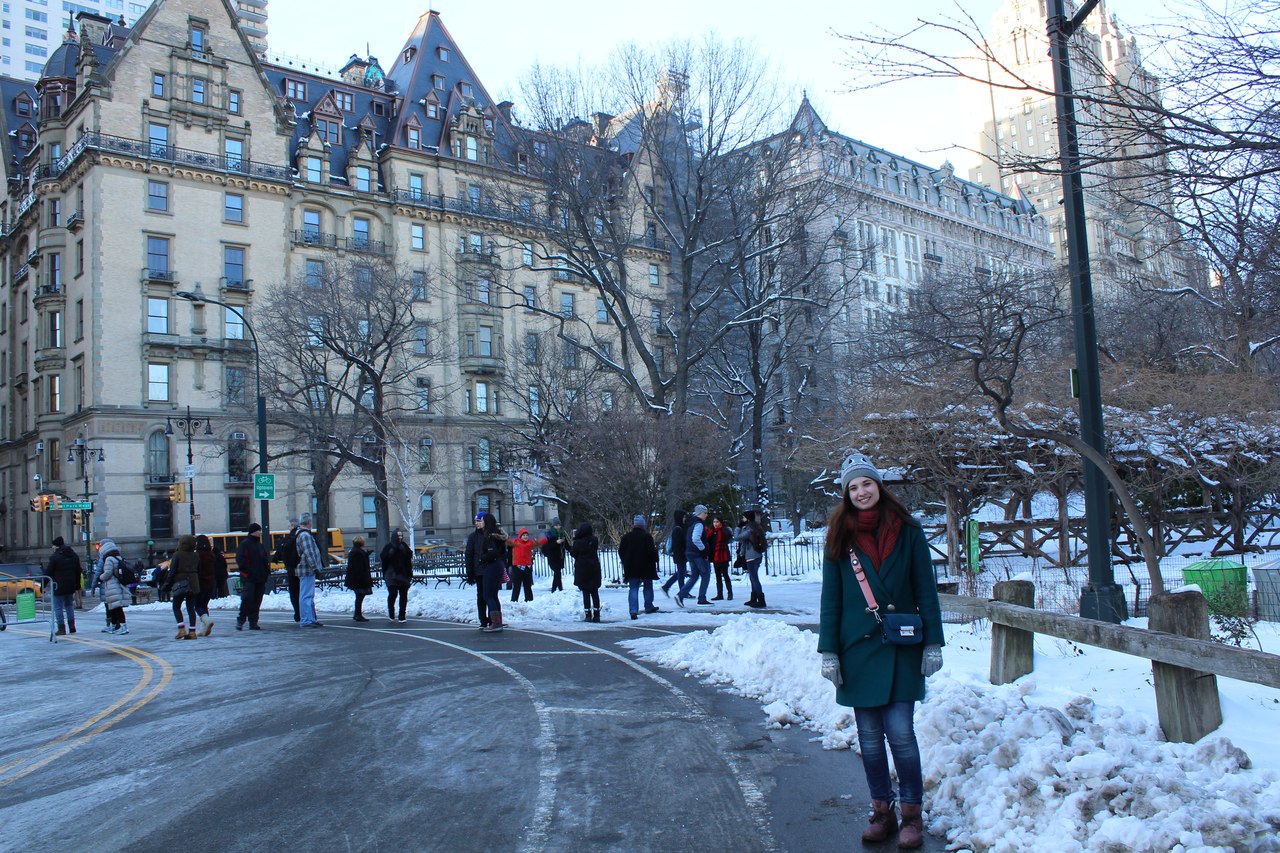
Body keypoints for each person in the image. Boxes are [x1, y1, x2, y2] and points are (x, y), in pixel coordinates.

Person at [818, 452, 944, 850]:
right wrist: (829, 652)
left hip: (903, 647)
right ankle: (881, 812)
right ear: (846, 494)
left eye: (866, 483)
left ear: (879, 485)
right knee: (870, 739)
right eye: (853, 487)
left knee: (902, 735)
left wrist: (934, 642)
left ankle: (911, 816)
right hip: (857, 651)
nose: (861, 491)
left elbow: (926, 590)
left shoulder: (909, 530)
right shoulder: (839, 536)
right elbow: (831, 599)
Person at [619, 515, 660, 620]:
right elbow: (651, 551)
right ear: (643, 525)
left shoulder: (626, 537)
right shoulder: (647, 537)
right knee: (648, 587)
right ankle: (648, 605)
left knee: (633, 588)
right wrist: (655, 559)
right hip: (646, 566)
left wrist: (625, 561)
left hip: (631, 567)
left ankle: (633, 610)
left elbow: (621, 551)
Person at [476, 513, 508, 632]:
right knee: (493, 595)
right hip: (498, 565)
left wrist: (482, 558)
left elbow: (492, 553)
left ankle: (495, 622)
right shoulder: (497, 536)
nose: (480, 522)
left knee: (488, 594)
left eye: (482, 520)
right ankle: (497, 620)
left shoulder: (490, 537)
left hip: (492, 566)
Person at [674, 505, 712, 607]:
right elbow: (696, 538)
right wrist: (703, 549)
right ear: (700, 513)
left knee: (695, 575)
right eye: (705, 513)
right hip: (698, 554)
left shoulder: (691, 523)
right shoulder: (699, 524)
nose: (706, 515)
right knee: (706, 574)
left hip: (690, 553)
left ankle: (680, 595)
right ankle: (702, 598)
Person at [235, 523, 270, 630]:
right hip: (250, 578)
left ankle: (253, 621)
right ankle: (241, 619)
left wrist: (265, 572)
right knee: (247, 598)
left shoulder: (259, 545)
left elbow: (264, 559)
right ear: (253, 531)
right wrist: (248, 572)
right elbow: (241, 560)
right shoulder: (245, 544)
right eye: (259, 530)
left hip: (259, 578)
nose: (260, 532)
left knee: (257, 600)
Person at [168, 534, 201, 640]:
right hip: (193, 582)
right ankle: (192, 631)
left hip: (180, 583)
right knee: (191, 607)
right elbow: (199, 569)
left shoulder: (177, 554)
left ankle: (181, 629)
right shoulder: (196, 555)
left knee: (176, 606)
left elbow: (172, 571)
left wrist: (167, 584)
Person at [47, 536, 82, 636]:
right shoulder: (73, 555)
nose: (52, 548)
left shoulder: (55, 557)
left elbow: (48, 572)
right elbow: (78, 571)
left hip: (58, 585)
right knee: (69, 605)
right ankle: (72, 626)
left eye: (53, 546)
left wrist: (43, 585)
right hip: (70, 584)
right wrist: (77, 584)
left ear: (56, 546)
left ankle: (61, 628)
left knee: (58, 607)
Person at [734, 510, 769, 608]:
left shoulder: (750, 529)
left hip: (751, 556)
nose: (742, 519)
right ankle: (754, 598)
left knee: (754, 578)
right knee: (752, 578)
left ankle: (761, 601)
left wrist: (738, 527)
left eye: (744, 517)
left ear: (747, 518)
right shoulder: (755, 526)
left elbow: (737, 537)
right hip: (756, 555)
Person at [295, 514, 324, 628]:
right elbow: (309, 553)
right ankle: (306, 619)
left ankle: (310, 618)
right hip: (307, 569)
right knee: (306, 595)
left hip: (306, 569)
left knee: (308, 595)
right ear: (309, 522)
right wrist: (315, 567)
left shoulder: (301, 534)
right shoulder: (305, 535)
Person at [571, 521, 602, 622]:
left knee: (586, 593)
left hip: (583, 569)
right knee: (595, 592)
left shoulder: (578, 542)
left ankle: (588, 614)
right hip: (594, 568)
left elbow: (573, 553)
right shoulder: (594, 540)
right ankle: (597, 614)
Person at [96, 539, 130, 635]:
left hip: (112, 586)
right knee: (114, 607)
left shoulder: (109, 559)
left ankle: (123, 627)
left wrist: (100, 577)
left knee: (117, 608)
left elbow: (107, 573)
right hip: (119, 585)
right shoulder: (119, 557)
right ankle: (114, 626)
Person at [380, 527, 413, 623]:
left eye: (401, 535)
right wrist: (392, 551)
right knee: (393, 594)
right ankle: (391, 612)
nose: (400, 537)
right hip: (391, 574)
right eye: (398, 535)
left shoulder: (404, 546)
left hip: (403, 574)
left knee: (403, 595)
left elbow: (409, 555)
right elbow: (384, 557)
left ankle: (402, 615)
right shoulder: (388, 547)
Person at [272, 520, 302, 623]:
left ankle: (297, 613)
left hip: (291, 568)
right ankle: (307, 613)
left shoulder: (287, 538)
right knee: (304, 592)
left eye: (289, 526)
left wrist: (276, 558)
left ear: (292, 526)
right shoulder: (302, 535)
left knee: (294, 591)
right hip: (302, 568)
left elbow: (279, 553)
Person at [464, 512, 489, 629]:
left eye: (479, 521)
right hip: (479, 571)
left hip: (490, 570)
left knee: (491, 595)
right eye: (476, 521)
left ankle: (493, 618)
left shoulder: (490, 535)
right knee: (481, 596)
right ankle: (483, 619)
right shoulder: (473, 537)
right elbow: (468, 554)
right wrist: (470, 571)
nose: (477, 523)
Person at [660, 509, 687, 598]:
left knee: (680, 572)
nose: (685, 519)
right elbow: (678, 544)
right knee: (681, 573)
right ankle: (682, 591)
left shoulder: (678, 527)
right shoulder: (678, 529)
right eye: (683, 517)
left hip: (680, 554)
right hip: (680, 554)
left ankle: (666, 587)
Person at [345, 536, 373, 622]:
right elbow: (359, 567)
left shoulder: (355, 552)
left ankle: (357, 614)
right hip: (359, 579)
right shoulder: (358, 553)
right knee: (360, 596)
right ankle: (358, 614)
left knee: (359, 596)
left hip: (355, 579)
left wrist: (366, 554)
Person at [194, 534, 216, 637]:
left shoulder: (197, 555)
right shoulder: (211, 555)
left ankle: (206, 621)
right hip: (210, 583)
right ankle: (203, 630)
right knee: (204, 605)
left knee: (198, 605)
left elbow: (197, 571)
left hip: (200, 583)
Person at [539, 517, 568, 593]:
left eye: (559, 525)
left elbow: (566, 545)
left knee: (557, 573)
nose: (558, 527)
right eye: (556, 525)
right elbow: (546, 547)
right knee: (557, 572)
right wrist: (556, 543)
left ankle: (555, 589)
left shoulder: (562, 534)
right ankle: (557, 589)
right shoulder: (549, 535)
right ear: (553, 526)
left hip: (560, 557)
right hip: (553, 557)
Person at [709, 515, 733, 601]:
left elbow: (729, 536)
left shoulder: (723, 530)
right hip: (715, 557)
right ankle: (719, 594)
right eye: (714, 522)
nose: (715, 524)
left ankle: (730, 593)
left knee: (725, 575)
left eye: (717, 522)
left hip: (723, 556)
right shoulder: (712, 532)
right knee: (717, 576)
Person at [509, 528, 536, 603]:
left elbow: (539, 542)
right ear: (520, 536)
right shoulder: (515, 542)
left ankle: (529, 599)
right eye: (523, 535)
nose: (525, 536)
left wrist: (546, 538)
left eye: (526, 535)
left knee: (527, 585)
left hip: (527, 566)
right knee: (517, 585)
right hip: (518, 567)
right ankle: (514, 600)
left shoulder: (530, 543)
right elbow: (507, 540)